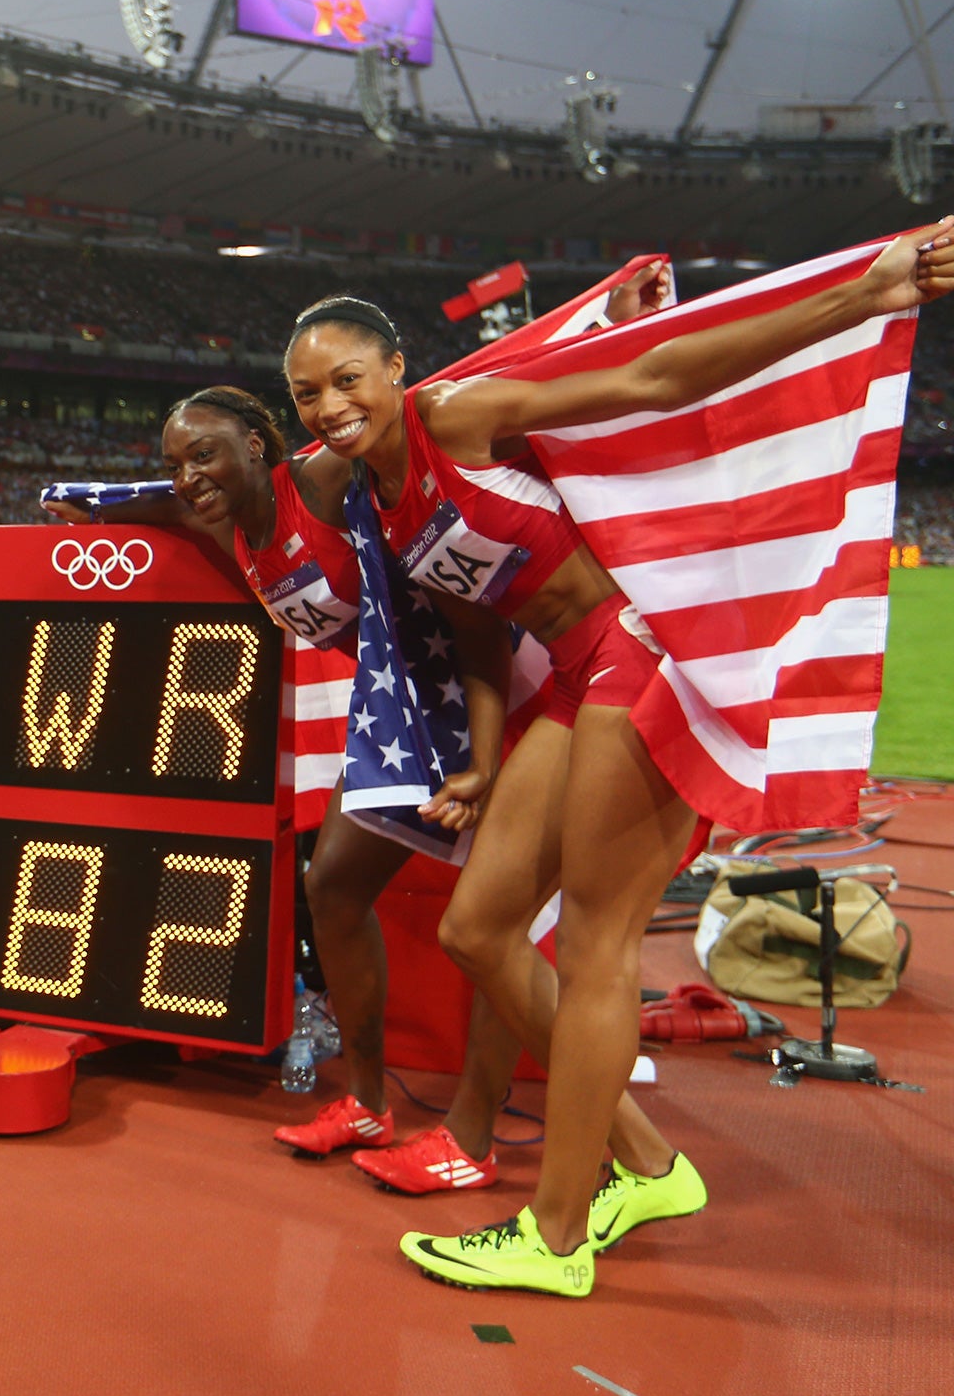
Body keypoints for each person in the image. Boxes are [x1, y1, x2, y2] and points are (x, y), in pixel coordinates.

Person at [280, 219, 954, 1296]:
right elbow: (480, 629)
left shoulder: (453, 415)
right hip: (576, 674)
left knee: (596, 941)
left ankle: (553, 1238)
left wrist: (862, 294)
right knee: (478, 926)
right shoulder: (374, 499)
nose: (327, 406)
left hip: (639, 652)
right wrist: (482, 760)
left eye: (344, 377)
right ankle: (644, 1159)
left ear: (395, 369)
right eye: (306, 394)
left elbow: (646, 376)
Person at [42, 386, 530, 1189]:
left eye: (206, 453)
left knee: (494, 925)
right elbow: (155, 504)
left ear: (259, 445)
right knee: (332, 886)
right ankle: (369, 1101)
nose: (190, 474)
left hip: (489, 690)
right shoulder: (215, 517)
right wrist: (89, 502)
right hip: (402, 712)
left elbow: (405, 422)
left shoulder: (321, 482)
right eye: (176, 461)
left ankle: (471, 1137)